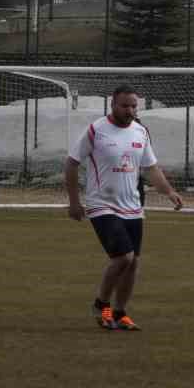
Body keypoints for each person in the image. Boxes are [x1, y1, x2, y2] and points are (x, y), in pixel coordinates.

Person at [64, 85, 183, 331]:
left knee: (134, 262)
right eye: (124, 105)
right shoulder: (96, 130)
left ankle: (119, 313)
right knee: (123, 258)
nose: (130, 110)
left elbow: (151, 168)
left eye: (133, 106)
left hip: (133, 206)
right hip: (102, 205)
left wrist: (169, 191)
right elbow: (72, 163)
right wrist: (74, 201)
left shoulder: (140, 131)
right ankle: (101, 304)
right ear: (113, 105)